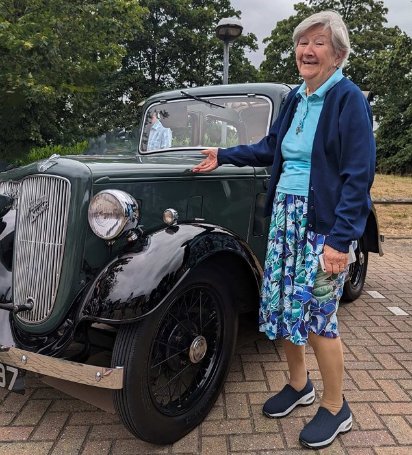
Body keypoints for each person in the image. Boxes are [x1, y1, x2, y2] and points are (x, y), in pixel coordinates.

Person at [192, 10, 375, 449]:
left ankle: (336, 407)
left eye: (318, 42)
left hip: (322, 227)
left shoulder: (348, 99)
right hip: (286, 219)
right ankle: (299, 385)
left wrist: (340, 242)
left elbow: (358, 174)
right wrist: (225, 153)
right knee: (279, 307)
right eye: (302, 42)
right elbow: (272, 147)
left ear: (338, 54)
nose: (307, 50)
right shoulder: (297, 98)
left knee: (318, 318)